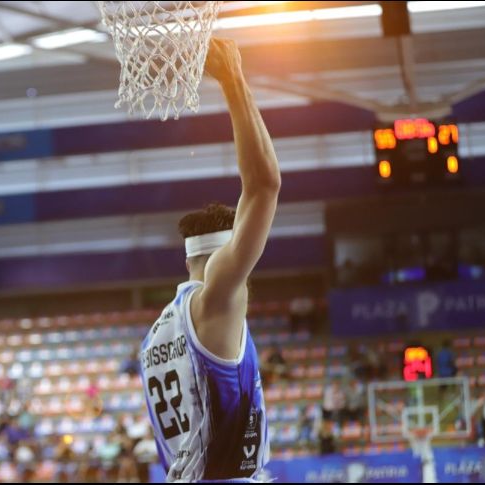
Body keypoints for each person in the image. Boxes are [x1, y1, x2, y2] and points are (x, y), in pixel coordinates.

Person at [140, 37, 279, 482]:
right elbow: (264, 185)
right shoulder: (217, 291)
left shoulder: (159, 333)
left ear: (187, 261)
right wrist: (233, 79)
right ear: (228, 252)